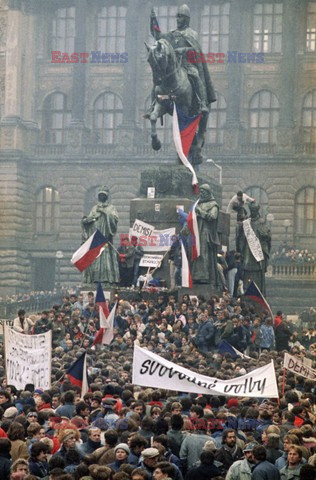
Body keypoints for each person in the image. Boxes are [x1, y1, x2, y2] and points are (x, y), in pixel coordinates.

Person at [148, 4, 216, 115]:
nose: (178, 19)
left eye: (181, 17)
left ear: (186, 19)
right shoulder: (172, 34)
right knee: (157, 83)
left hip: (187, 64)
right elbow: (158, 36)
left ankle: (202, 103)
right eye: (177, 17)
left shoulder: (192, 33)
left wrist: (183, 50)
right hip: (173, 66)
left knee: (196, 76)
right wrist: (153, 20)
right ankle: (153, 105)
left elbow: (195, 49)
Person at [81, 185, 120, 285]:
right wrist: (86, 220)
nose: (101, 197)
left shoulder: (111, 208)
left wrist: (104, 213)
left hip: (105, 238)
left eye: (103, 195)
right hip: (95, 238)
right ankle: (94, 278)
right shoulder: (94, 208)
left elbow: (114, 219)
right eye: (100, 195)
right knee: (95, 258)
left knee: (105, 257)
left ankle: (106, 279)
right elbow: (90, 218)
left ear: (106, 196)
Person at [187, 184, 220, 287]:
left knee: (204, 254)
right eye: (200, 191)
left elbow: (212, 217)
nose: (201, 193)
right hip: (196, 233)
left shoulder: (213, 204)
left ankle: (205, 277)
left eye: (203, 192)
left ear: (208, 193)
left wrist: (200, 211)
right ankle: (196, 277)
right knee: (195, 255)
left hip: (206, 233)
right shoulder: (197, 204)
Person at [240, 203, 271, 295]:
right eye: (251, 210)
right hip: (247, 252)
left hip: (257, 253)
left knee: (257, 271)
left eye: (254, 210)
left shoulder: (261, 222)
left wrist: (265, 235)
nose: (253, 212)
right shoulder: (247, 223)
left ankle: (257, 292)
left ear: (257, 211)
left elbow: (267, 237)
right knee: (247, 269)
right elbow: (241, 238)